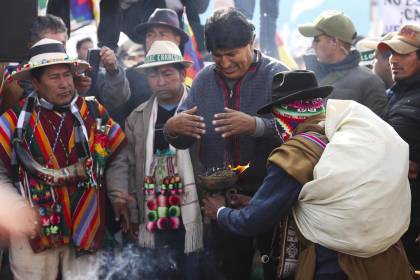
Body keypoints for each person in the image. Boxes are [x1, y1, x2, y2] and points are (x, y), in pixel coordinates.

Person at [202, 70, 413, 280]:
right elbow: (323, 194)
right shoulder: (345, 134)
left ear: (284, 115)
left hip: (338, 265)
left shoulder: (295, 153)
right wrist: (255, 201)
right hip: (387, 258)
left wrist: (220, 211)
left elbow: (252, 222)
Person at [164, 7, 288, 280]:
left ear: (251, 44)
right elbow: (182, 135)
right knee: (229, 272)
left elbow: (302, 132)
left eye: (232, 54)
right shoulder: (203, 80)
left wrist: (255, 125)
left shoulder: (278, 75)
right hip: (222, 204)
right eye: (217, 56)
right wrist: (173, 128)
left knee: (277, 271)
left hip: (269, 198)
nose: (225, 63)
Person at [0, 38, 129, 279]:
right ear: (36, 83)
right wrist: (18, 209)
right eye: (54, 77)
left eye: (66, 75)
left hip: (87, 224)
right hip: (33, 232)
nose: (64, 84)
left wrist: (118, 194)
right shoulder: (12, 122)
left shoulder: (93, 112)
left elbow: (117, 154)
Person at [122, 40, 202, 279]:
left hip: (193, 210)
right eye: (153, 75)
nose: (160, 81)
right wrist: (135, 216)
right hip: (155, 210)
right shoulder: (136, 119)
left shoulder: (200, 110)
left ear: (182, 73)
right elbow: (131, 167)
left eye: (167, 73)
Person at [0, 14, 130, 115]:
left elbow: (117, 101)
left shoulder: (80, 72)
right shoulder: (14, 80)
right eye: (49, 44)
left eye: (61, 44)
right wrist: (73, 92)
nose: (57, 50)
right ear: (31, 46)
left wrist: (113, 71)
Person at [379, 24, 420, 270]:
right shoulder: (393, 94)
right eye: (392, 53)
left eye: (403, 53)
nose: (394, 60)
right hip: (395, 216)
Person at [110, 8, 190, 127]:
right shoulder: (128, 78)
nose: (155, 40)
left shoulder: (196, 87)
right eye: (150, 34)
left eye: (163, 34)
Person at [298, 10, 387, 116]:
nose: (312, 45)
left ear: (334, 42)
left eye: (317, 40)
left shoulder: (369, 82)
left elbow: (375, 129)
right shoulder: (307, 76)